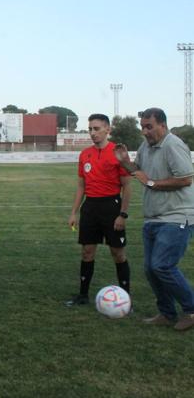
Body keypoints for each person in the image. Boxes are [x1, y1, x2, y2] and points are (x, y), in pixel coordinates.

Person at [115, 108, 194, 331]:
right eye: (143, 127)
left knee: (163, 265)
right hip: (153, 218)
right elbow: (138, 171)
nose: (145, 131)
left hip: (176, 216)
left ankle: (191, 310)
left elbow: (186, 179)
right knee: (151, 269)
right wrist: (124, 161)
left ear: (163, 125)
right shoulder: (145, 146)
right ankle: (167, 313)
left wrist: (151, 183)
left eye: (149, 126)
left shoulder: (173, 144)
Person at [65, 114, 132, 307]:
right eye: (90, 129)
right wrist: (74, 212)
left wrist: (122, 214)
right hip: (90, 207)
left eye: (96, 129)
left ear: (107, 130)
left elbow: (127, 186)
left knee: (118, 253)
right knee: (87, 252)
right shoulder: (85, 154)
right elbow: (81, 186)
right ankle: (83, 296)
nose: (92, 133)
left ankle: (126, 298)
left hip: (111, 206)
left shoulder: (117, 153)